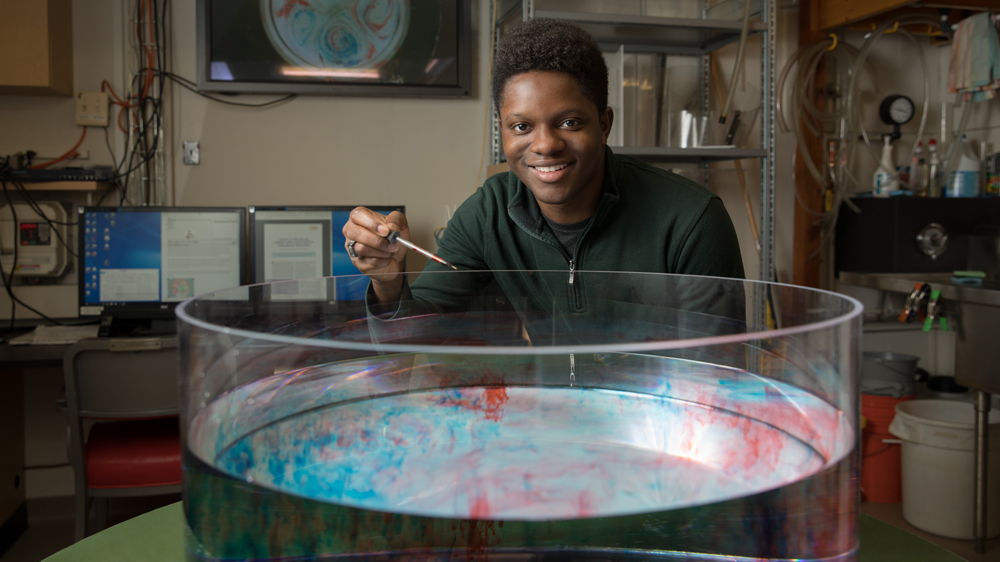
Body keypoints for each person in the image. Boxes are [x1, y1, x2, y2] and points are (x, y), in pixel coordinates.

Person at [342, 18, 744, 330]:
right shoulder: (489, 212)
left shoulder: (693, 221)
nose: (545, 145)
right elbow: (417, 334)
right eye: (521, 127)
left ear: (604, 124)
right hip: (544, 426)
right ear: (503, 132)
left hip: (653, 429)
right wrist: (388, 281)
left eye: (569, 122)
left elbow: (715, 377)